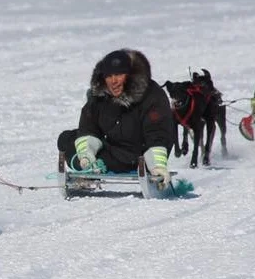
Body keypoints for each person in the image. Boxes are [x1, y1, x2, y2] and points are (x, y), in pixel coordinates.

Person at [57, 49, 174, 186]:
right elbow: (88, 128)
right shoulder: (99, 96)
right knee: (66, 139)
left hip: (140, 157)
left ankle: (150, 168)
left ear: (130, 74)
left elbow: (158, 133)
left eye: (119, 75)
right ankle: (91, 168)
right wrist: (86, 155)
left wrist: (157, 165)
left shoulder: (152, 95)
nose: (114, 81)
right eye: (109, 76)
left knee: (151, 148)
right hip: (110, 155)